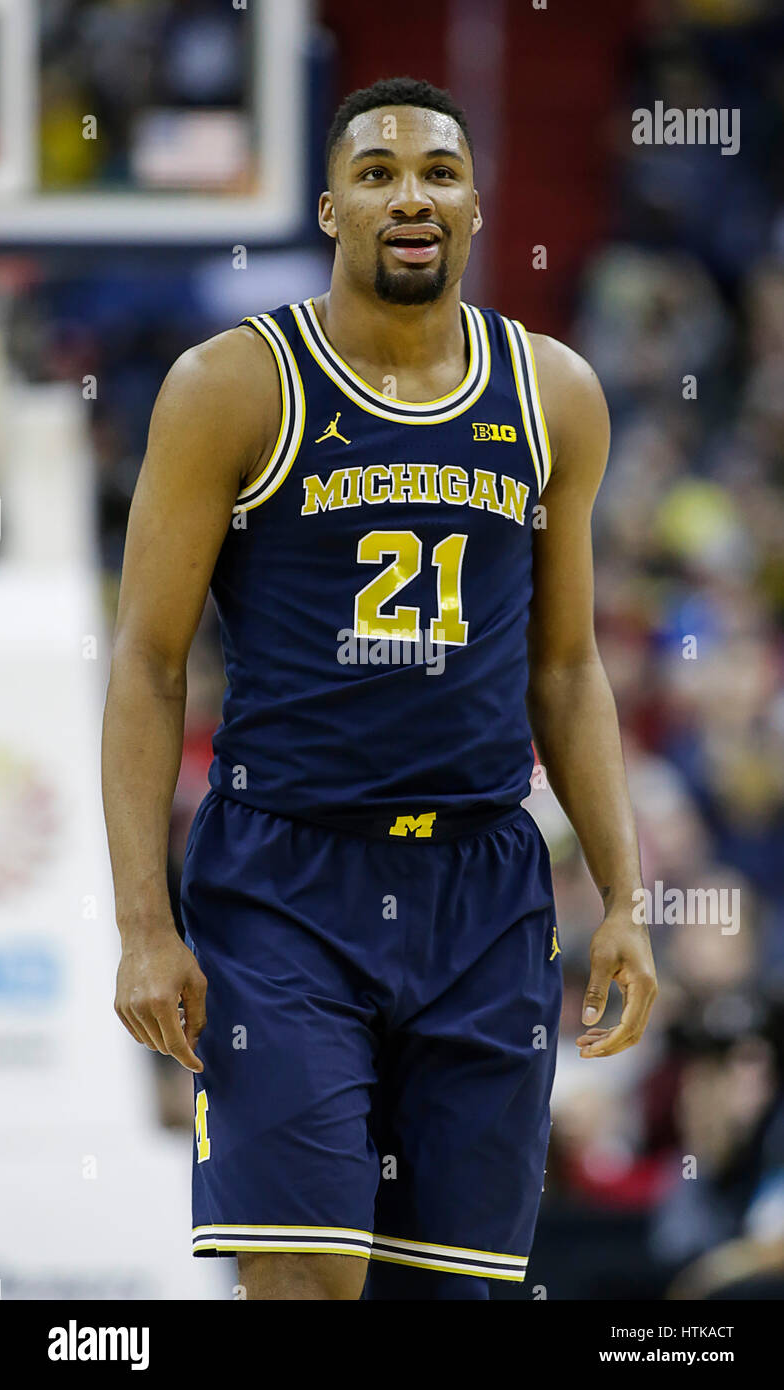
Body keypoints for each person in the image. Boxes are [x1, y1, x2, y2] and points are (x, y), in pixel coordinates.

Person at [102, 77, 657, 1301]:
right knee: (306, 1282)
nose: (412, 194)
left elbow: (565, 668)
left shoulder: (553, 392)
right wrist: (146, 926)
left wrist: (625, 892)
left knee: (449, 1291)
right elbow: (145, 664)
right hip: (286, 885)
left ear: (473, 202)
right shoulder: (233, 386)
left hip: (484, 889)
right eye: (378, 173)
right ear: (332, 208)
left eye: (439, 172)